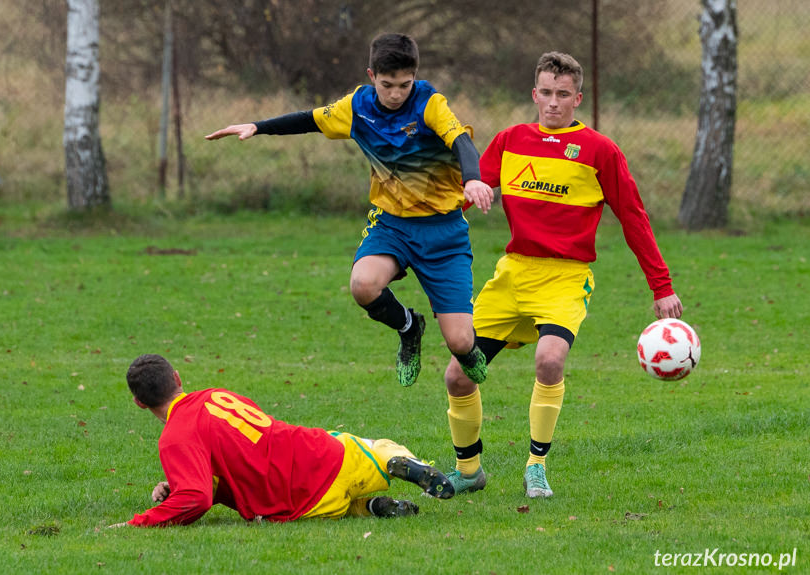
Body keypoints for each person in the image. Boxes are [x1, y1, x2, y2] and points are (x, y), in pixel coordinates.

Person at [441, 52, 684, 498]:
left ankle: (536, 467)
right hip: (513, 274)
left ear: (578, 99)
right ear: (535, 95)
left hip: (566, 277)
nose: (553, 103)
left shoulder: (600, 151)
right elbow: (465, 193)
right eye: (546, 93)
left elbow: (633, 217)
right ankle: (468, 469)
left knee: (549, 360)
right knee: (457, 375)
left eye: (563, 95)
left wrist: (661, 287)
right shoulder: (511, 140)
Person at [205, 33, 494, 388]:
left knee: (460, 341)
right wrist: (258, 127)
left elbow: (460, 141)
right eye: (387, 85)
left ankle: (466, 352)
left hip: (443, 232)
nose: (395, 94)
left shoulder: (429, 103)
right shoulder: (358, 107)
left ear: (414, 78)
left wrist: (473, 179)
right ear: (372, 75)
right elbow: (310, 118)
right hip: (393, 226)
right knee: (363, 285)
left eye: (404, 85)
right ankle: (409, 327)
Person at [108, 354, 455, 528]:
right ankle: (401, 466)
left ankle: (370, 509)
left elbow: (197, 497)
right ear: (178, 378)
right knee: (378, 449)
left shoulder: (175, 438)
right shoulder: (216, 395)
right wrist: (179, 484)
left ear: (140, 403)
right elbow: (233, 455)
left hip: (294, 507)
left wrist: (137, 521)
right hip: (323, 455)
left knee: (335, 511)